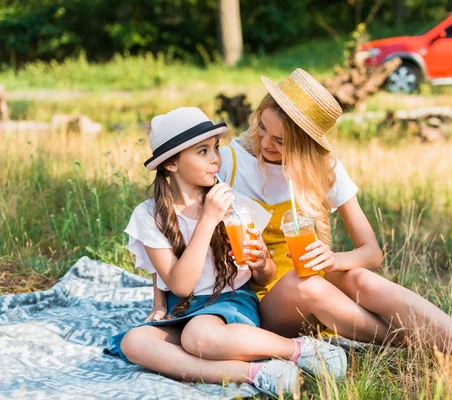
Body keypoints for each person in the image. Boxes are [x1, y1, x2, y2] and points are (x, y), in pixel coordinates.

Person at [149, 70, 452, 400]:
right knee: (309, 287)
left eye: (280, 142)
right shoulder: (230, 161)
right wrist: (161, 298)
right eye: (262, 129)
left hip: (312, 285)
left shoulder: (325, 170)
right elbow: (173, 222)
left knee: (359, 277)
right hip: (260, 301)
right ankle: (435, 346)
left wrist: (334, 260)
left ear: (306, 146)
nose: (264, 144)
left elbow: (371, 251)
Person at [104, 107, 347, 397]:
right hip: (181, 308)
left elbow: (262, 277)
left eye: (216, 148)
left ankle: (301, 350)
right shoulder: (150, 216)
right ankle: (257, 373)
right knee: (134, 342)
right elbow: (178, 284)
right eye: (202, 151)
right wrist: (207, 221)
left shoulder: (236, 206)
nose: (216, 158)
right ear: (171, 164)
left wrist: (261, 263)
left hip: (230, 303)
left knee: (199, 335)